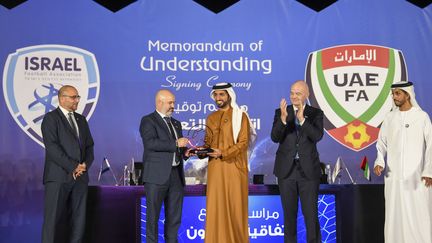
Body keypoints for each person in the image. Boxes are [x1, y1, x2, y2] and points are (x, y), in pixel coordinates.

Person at [373, 81, 432, 243]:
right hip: (394, 178)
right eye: (393, 94)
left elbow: (431, 145)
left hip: (417, 178)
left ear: (408, 94)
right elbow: (381, 143)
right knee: (394, 214)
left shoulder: (421, 117)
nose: (394, 97)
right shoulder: (390, 117)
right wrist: (380, 161)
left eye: (398, 93)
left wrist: (428, 171)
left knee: (418, 214)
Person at [270, 80, 323, 243]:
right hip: (287, 171)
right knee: (289, 216)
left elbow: (317, 136)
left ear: (307, 95)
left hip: (308, 171)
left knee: (311, 215)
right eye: (292, 92)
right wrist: (284, 120)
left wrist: (303, 120)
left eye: (298, 93)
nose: (294, 96)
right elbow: (275, 137)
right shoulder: (281, 112)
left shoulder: (315, 113)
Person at [203, 82, 256, 243]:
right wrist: (198, 151)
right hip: (215, 168)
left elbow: (243, 142)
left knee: (235, 208)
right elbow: (208, 143)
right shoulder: (211, 117)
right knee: (215, 208)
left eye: (222, 94)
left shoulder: (240, 116)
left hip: (234, 167)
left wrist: (224, 152)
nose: (218, 98)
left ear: (229, 95)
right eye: (216, 95)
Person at [41, 85, 94, 243]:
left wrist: (84, 165)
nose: (77, 100)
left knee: (79, 222)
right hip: (58, 177)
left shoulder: (81, 119)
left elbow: (90, 146)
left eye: (77, 97)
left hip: (80, 178)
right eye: (73, 97)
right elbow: (52, 148)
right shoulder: (51, 119)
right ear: (62, 98)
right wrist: (73, 166)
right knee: (52, 222)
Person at [139, 89, 190, 243]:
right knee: (152, 218)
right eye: (170, 103)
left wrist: (185, 153)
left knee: (174, 219)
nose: (173, 106)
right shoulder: (148, 120)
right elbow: (150, 143)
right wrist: (176, 143)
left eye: (174, 102)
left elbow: (177, 149)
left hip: (176, 176)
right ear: (159, 102)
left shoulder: (176, 123)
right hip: (156, 177)